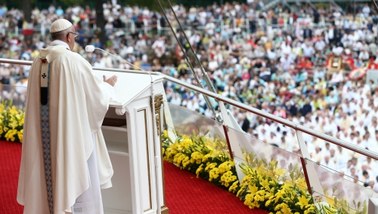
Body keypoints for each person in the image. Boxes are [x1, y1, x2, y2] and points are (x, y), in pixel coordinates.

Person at [17, 18, 118, 214]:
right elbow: (96, 97)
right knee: (75, 166)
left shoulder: (39, 60)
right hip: (68, 136)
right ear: (69, 37)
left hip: (44, 133)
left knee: (44, 173)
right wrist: (108, 86)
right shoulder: (74, 60)